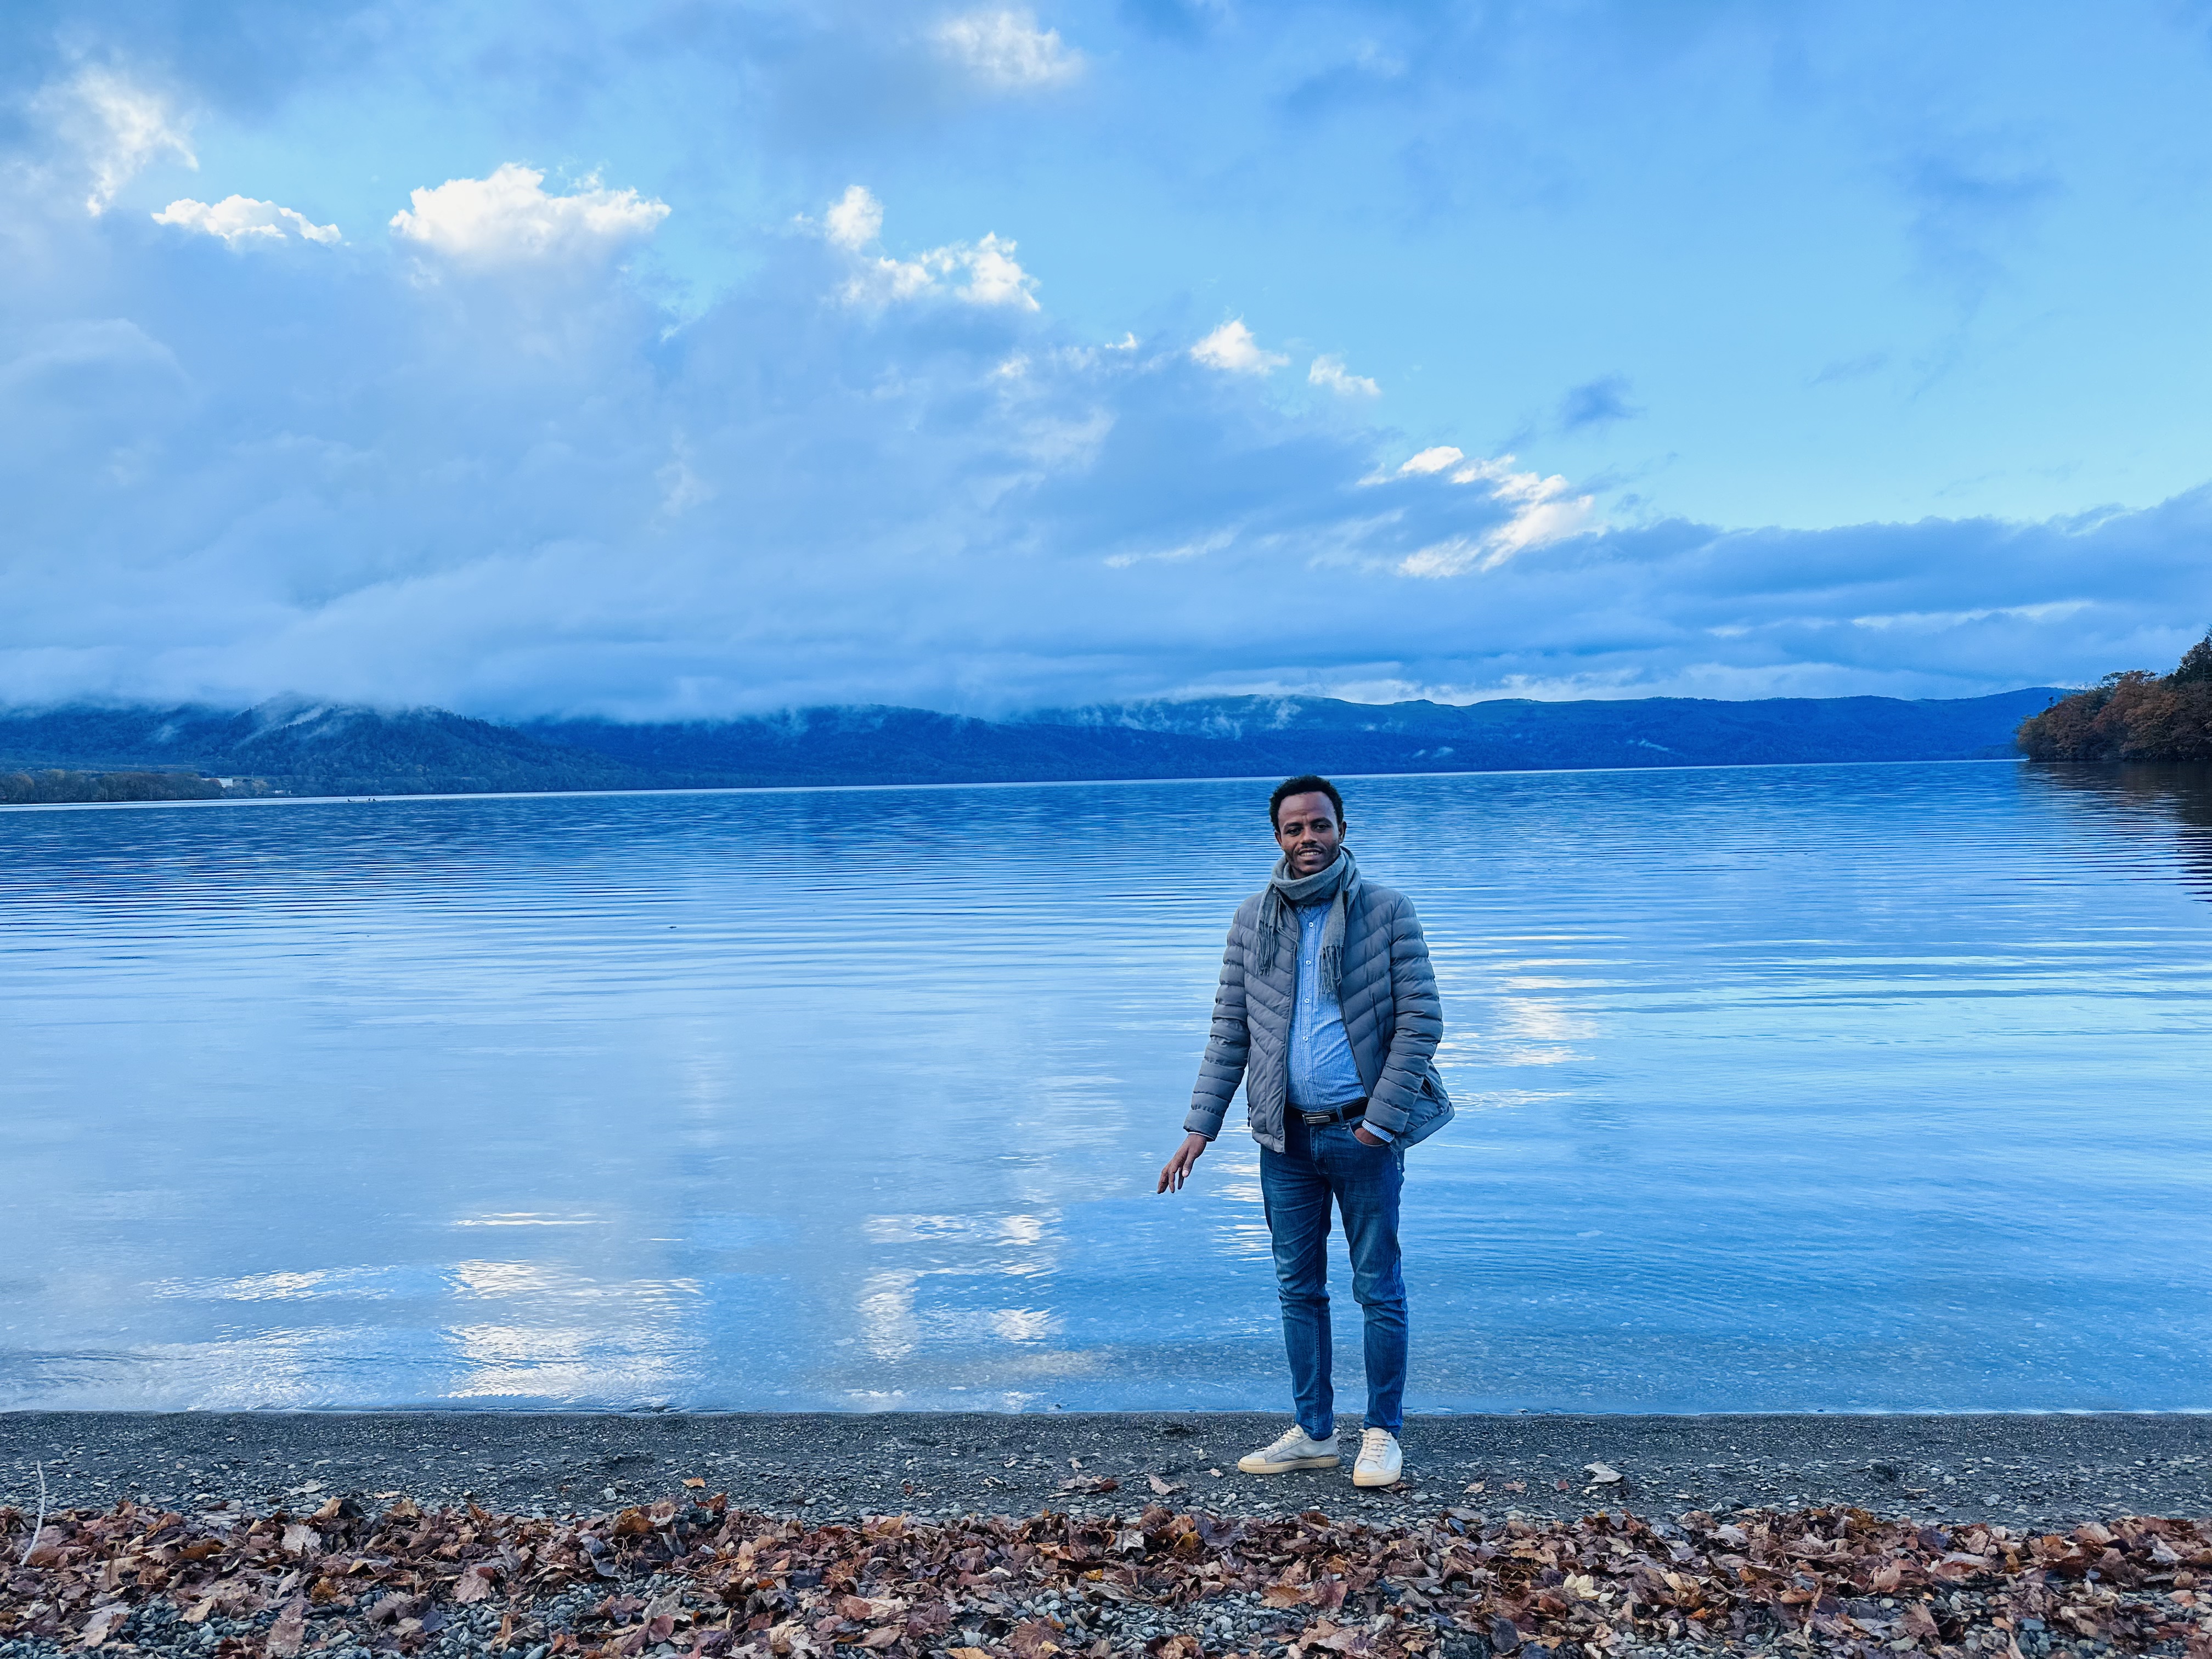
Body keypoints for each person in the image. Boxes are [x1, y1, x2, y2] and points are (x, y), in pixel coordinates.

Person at [1157, 774, 1452, 1488]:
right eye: (1295, 828)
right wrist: (1200, 1127)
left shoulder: (1386, 910)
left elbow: (1421, 1023)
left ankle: (1381, 1433)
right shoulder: (1251, 919)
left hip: (1363, 1134)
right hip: (1283, 1139)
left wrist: (1380, 1125)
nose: (1308, 838)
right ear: (1279, 838)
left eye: (1320, 824)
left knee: (1377, 1286)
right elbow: (1230, 1032)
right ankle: (1316, 1432)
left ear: (1341, 829)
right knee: (1299, 1288)